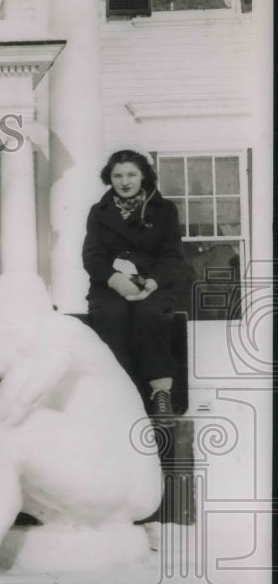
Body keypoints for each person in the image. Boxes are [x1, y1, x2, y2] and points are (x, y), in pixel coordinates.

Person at [83, 149, 184, 425]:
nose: (124, 181)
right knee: (111, 314)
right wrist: (115, 281)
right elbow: (92, 256)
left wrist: (153, 282)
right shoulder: (98, 212)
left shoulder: (165, 210)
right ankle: (116, 394)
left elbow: (173, 256)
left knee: (149, 314)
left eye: (131, 174)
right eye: (118, 175)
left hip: (153, 285)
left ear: (143, 177)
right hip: (109, 286)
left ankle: (160, 393)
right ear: (109, 178)